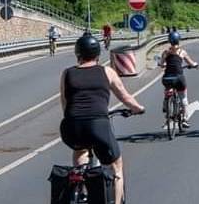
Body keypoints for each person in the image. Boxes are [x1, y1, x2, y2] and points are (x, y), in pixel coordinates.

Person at [60, 33, 144, 204]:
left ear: (78, 54)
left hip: (71, 127)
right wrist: (138, 108)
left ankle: (80, 185)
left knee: (80, 150)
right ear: (98, 54)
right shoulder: (107, 72)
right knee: (115, 166)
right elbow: (125, 97)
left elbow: (65, 103)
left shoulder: (67, 73)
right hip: (97, 126)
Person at [158, 37, 199, 128]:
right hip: (178, 78)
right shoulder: (182, 52)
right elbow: (191, 63)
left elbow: (161, 64)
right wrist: (195, 65)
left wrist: (163, 64)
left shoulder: (166, 52)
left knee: (167, 89)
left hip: (167, 78)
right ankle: (185, 119)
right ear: (178, 41)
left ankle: (166, 105)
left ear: (170, 41)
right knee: (183, 97)